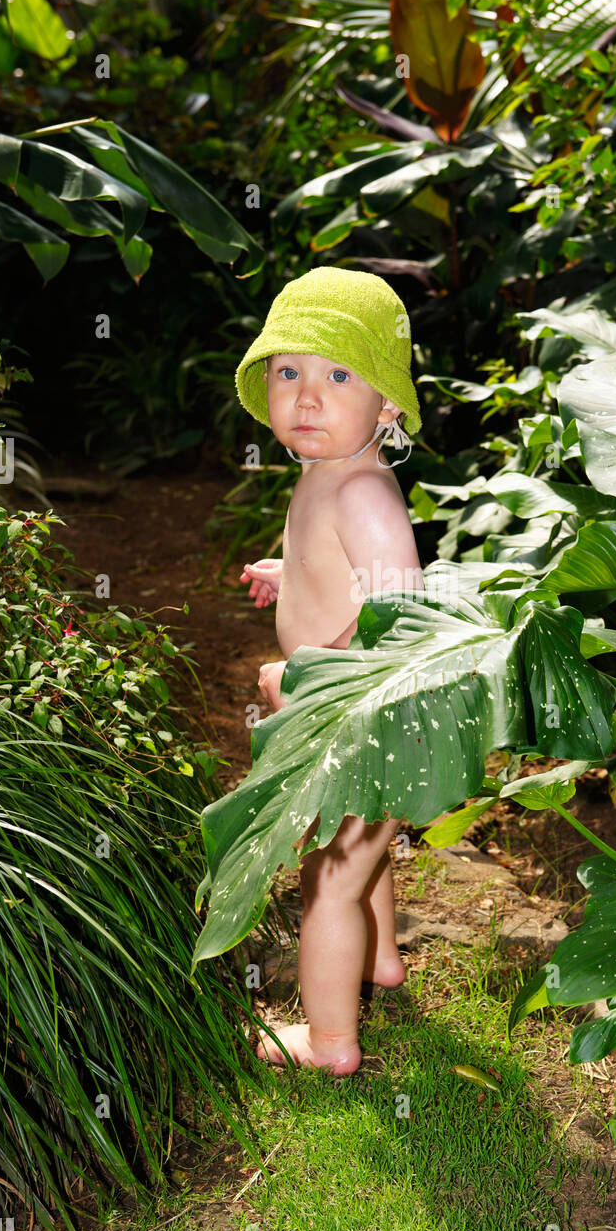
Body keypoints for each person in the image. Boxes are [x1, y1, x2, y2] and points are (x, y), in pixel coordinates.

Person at [233, 265, 424, 1075]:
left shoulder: (364, 498)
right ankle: (379, 963)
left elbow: (398, 611)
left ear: (386, 403)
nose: (306, 398)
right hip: (361, 724)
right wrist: (296, 570)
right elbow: (346, 573)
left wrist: (301, 680)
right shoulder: (328, 474)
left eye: (338, 375)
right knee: (362, 852)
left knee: (328, 881)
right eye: (288, 373)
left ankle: (330, 1041)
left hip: (358, 721)